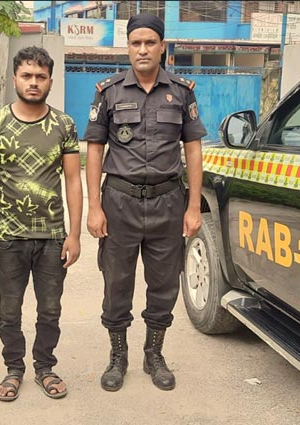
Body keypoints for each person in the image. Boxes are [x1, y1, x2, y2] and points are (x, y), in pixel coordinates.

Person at [84, 13, 207, 392]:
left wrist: (192, 207)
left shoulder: (183, 91)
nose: (142, 49)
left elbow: (193, 150)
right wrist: (94, 206)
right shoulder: (108, 92)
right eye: (136, 43)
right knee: (116, 283)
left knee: (164, 284)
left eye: (150, 43)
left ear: (162, 47)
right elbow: (94, 149)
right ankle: (117, 356)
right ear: (128, 47)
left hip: (168, 201)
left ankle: (154, 354)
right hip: (119, 200)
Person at [0, 46, 82, 401]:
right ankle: (14, 369)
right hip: (8, 236)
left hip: (52, 237)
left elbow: (72, 181)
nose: (33, 83)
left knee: (50, 309)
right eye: (27, 76)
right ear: (14, 79)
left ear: (50, 80)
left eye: (40, 76)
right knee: (10, 309)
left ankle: (45, 367)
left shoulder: (64, 124)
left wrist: (75, 235)